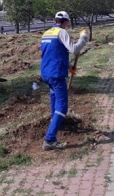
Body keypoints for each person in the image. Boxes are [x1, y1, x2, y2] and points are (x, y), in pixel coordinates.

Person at [40, 11, 88, 151]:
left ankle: (54, 124)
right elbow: (73, 49)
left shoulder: (46, 33)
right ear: (66, 22)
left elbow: (53, 53)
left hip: (46, 74)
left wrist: (69, 67)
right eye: (68, 22)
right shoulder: (62, 33)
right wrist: (83, 38)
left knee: (54, 101)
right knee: (62, 106)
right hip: (56, 75)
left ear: (55, 20)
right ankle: (49, 139)